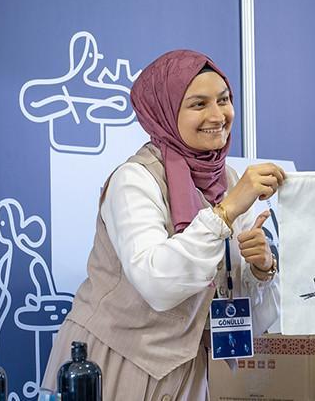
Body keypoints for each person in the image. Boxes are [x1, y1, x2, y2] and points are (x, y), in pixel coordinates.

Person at [41, 50, 285, 400]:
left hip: (189, 370)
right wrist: (226, 212)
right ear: (165, 112)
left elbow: (240, 302)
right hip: (117, 362)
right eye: (198, 104)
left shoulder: (228, 180)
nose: (218, 115)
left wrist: (261, 267)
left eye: (224, 100)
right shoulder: (134, 179)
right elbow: (156, 283)